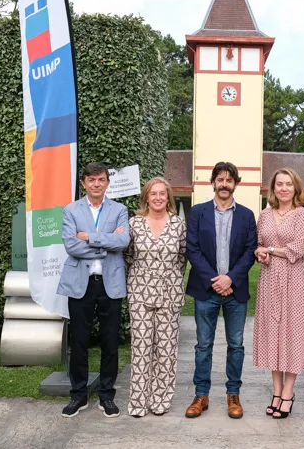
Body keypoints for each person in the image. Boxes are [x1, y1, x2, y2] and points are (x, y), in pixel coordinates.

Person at [184, 161, 257, 420]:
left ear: (236, 183)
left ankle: (233, 395)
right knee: (203, 345)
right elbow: (192, 249)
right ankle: (201, 395)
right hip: (206, 289)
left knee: (235, 345)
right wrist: (216, 279)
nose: (224, 184)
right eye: (220, 179)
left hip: (235, 291)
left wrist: (230, 280)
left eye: (229, 180)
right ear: (212, 182)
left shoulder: (247, 215)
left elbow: (250, 252)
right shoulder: (198, 212)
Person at [58, 162, 130, 419]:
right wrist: (106, 241)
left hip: (110, 283)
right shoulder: (71, 210)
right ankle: (78, 395)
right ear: (84, 183)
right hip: (81, 284)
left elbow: (123, 241)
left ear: (107, 183)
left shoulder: (120, 209)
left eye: (101, 180)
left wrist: (88, 236)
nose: (97, 184)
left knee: (110, 342)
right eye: (92, 180)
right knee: (79, 341)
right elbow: (71, 246)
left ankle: (107, 395)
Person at [124, 177, 187, 418]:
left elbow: (182, 257)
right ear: (146, 197)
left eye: (163, 193)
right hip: (140, 293)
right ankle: (138, 402)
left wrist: (168, 279)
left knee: (166, 350)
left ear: (168, 197)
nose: (158, 197)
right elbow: (128, 256)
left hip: (170, 294)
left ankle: (161, 399)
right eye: (153, 194)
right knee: (140, 348)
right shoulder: (134, 224)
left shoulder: (179, 224)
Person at [253, 168, 304, 419]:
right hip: (269, 280)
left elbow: (297, 249)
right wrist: (260, 251)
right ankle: (276, 391)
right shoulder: (265, 214)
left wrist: (270, 248)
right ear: (273, 188)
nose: (284, 189)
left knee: (292, 333)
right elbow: (259, 244)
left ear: (296, 188)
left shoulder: (303, 214)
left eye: (289, 184)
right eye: (279, 184)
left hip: (295, 280)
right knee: (273, 334)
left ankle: (288, 392)